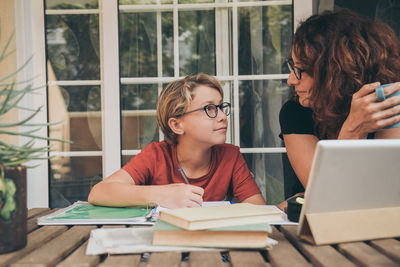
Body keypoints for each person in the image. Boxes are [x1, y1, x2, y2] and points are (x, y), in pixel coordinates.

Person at [88, 73, 266, 208]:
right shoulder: (156, 156)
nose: (222, 116)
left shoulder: (230, 156)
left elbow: (258, 210)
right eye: (209, 109)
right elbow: (99, 192)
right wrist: (160, 195)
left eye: (220, 107)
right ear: (177, 125)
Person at [279, 9, 400, 198]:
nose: (291, 80)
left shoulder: (385, 103)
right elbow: (326, 195)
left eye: (301, 70)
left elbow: (386, 193)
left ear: (336, 73)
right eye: (292, 66)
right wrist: (353, 130)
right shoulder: (295, 112)